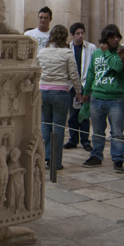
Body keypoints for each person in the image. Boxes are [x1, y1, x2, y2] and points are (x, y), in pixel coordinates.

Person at [36, 25, 82, 171]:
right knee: (59, 127)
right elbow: (74, 75)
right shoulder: (67, 53)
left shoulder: (42, 52)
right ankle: (55, 162)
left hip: (42, 90)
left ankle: (43, 157)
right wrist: (79, 91)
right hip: (60, 91)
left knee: (45, 124)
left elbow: (37, 70)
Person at [82, 25, 124, 171]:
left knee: (117, 132)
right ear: (105, 39)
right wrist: (86, 92)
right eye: (112, 37)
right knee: (97, 130)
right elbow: (91, 73)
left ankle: (118, 159)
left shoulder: (121, 52)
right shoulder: (96, 54)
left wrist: (107, 52)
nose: (116, 40)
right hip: (97, 96)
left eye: (118, 37)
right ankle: (96, 155)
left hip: (116, 98)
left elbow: (118, 67)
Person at [64, 22, 95, 152]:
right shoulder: (67, 49)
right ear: (72, 35)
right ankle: (73, 139)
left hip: (85, 85)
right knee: (73, 114)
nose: (80, 36)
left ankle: (85, 140)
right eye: (77, 33)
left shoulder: (91, 47)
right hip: (71, 86)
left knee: (85, 114)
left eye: (82, 33)